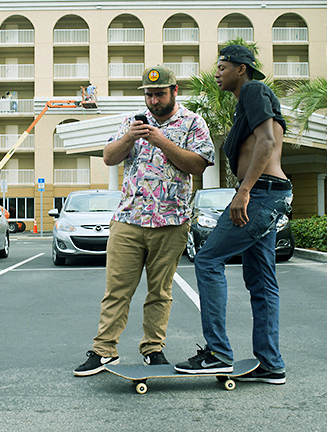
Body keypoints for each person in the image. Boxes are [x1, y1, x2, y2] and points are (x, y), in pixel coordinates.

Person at [74, 66, 215, 376]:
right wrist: (129, 137)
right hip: (129, 219)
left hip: (171, 221)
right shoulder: (132, 121)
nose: (153, 101)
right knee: (117, 289)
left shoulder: (193, 123)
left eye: (159, 94)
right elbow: (109, 156)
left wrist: (161, 140)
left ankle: (153, 349)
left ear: (174, 91)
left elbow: (198, 166)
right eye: (149, 95)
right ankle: (104, 350)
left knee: (160, 292)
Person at [175, 45, 292, 385]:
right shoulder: (249, 101)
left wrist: (243, 191)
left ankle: (217, 354)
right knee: (261, 280)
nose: (218, 73)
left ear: (241, 68)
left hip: (259, 195)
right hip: (267, 194)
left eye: (222, 67)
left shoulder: (254, 90)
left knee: (207, 259)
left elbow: (267, 142)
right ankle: (271, 364)